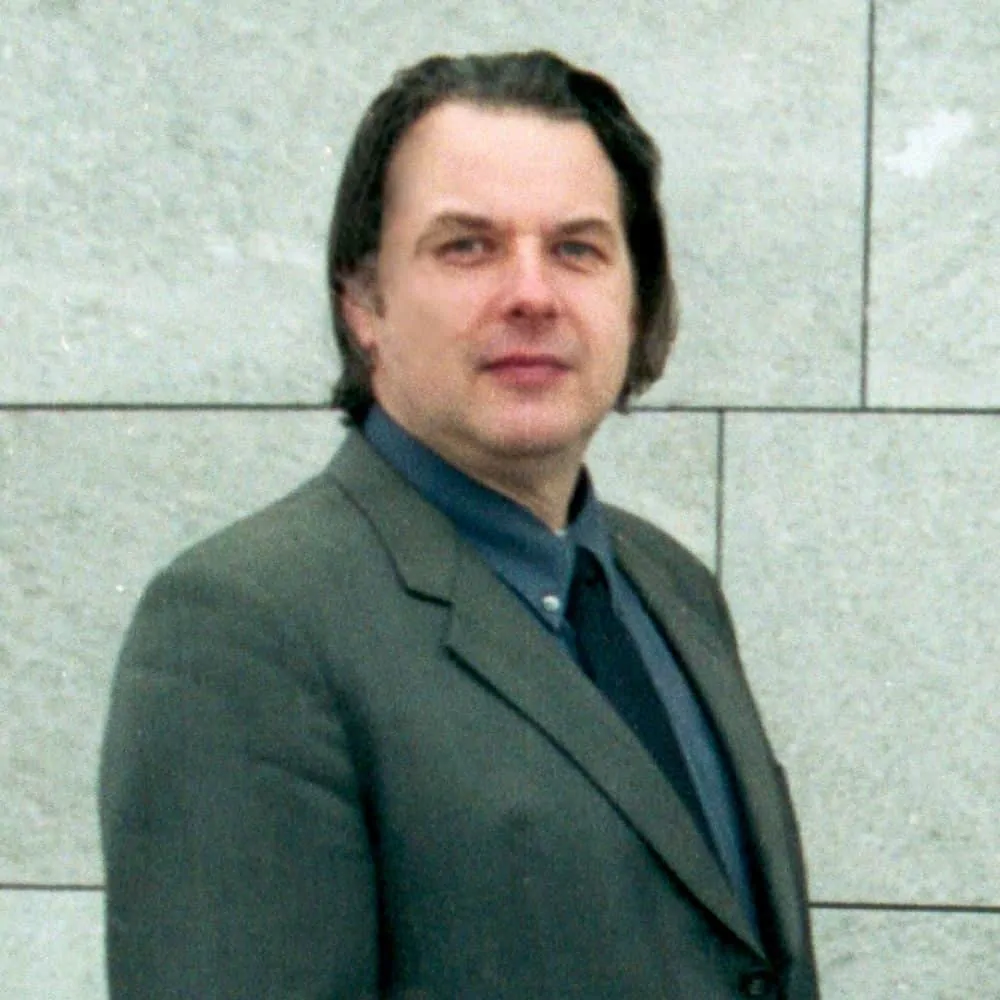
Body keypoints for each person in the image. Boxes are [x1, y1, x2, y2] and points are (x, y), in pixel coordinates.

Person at [100, 50, 819, 999]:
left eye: (577, 248)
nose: (532, 293)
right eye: (467, 247)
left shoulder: (670, 585)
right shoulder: (246, 626)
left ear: (635, 295)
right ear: (364, 303)